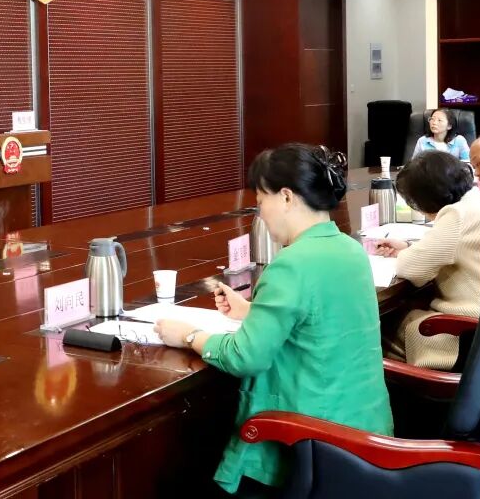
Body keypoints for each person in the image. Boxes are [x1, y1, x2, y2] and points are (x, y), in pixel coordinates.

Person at [154, 144, 392, 496]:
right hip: (365, 431)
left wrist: (189, 336)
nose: (260, 212)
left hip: (313, 446)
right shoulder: (350, 250)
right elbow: (322, 318)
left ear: (286, 197)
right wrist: (253, 311)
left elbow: (245, 356)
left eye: (261, 200)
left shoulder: (291, 264)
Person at [374, 151, 480, 370]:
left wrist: (405, 254)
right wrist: (409, 247)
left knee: (376, 328)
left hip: (464, 334)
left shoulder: (458, 214)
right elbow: (456, 248)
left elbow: (409, 268)